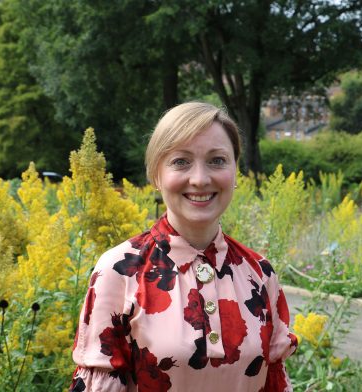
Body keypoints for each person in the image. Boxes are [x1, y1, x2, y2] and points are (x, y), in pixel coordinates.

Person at [70, 102, 297, 392]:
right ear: (156, 174)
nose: (200, 179)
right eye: (181, 161)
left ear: (235, 172)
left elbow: (274, 382)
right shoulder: (119, 271)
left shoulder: (260, 274)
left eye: (217, 160)